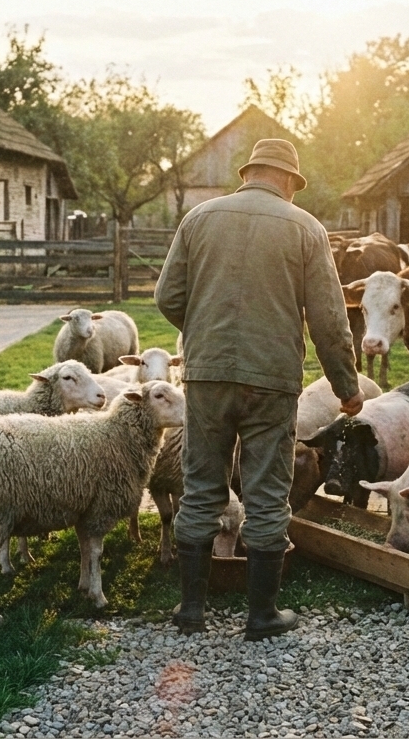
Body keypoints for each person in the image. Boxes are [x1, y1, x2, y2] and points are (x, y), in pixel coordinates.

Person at [155, 138, 362, 641]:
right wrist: (347, 387)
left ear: (248, 173)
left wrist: (204, 334)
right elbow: (330, 319)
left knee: (202, 488)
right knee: (268, 493)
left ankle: (191, 610)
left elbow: (167, 296)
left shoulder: (199, 218)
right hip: (271, 380)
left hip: (206, 377)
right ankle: (262, 615)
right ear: (290, 180)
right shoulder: (306, 228)